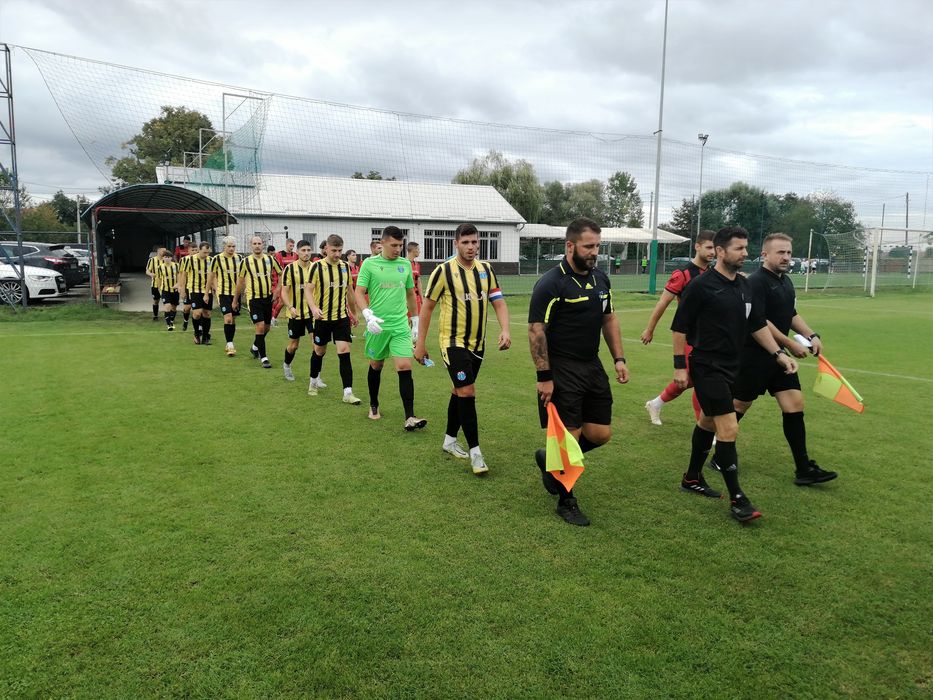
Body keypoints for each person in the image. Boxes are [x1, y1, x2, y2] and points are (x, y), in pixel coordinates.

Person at [670, 227, 799, 523]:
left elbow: (757, 325)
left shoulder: (744, 285)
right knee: (728, 428)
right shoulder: (701, 286)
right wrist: (679, 366)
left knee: (707, 421)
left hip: (733, 365)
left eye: (745, 248)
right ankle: (738, 498)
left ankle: (691, 477)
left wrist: (778, 354)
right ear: (720, 251)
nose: (745, 253)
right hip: (707, 365)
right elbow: (679, 327)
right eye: (739, 248)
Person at [528, 217, 630, 526]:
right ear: (570, 246)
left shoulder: (601, 279)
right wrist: (544, 377)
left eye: (597, 246)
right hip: (562, 369)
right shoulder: (551, 283)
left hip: (592, 365)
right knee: (567, 439)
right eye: (588, 246)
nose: (594, 252)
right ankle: (566, 501)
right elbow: (536, 332)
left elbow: (608, 319)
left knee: (600, 434)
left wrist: (619, 358)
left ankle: (552, 464)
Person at [733, 233, 837, 486]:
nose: (786, 257)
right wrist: (790, 343)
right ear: (765, 254)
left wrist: (811, 334)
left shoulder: (786, 281)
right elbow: (760, 321)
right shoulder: (755, 282)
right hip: (753, 356)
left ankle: (804, 468)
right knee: (738, 407)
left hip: (780, 358)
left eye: (789, 253)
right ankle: (718, 453)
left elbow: (790, 314)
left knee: (794, 405)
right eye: (780, 252)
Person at [414, 223, 511, 475]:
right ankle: (476, 454)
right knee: (467, 391)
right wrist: (420, 343)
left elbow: (498, 302)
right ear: (456, 243)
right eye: (465, 242)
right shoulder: (443, 271)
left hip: (477, 344)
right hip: (452, 342)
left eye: (474, 242)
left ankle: (449, 441)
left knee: (459, 391)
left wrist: (505, 329)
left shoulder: (486, 270)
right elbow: (427, 309)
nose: (471, 247)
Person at [354, 226, 427, 430]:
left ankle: (410, 417)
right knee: (376, 365)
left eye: (400, 245)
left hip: (400, 325)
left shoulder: (405, 264)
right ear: (383, 243)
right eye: (394, 245)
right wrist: (367, 315)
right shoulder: (369, 264)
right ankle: (374, 404)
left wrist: (415, 321)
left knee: (404, 366)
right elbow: (359, 292)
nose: (397, 249)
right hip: (377, 326)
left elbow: (411, 294)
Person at [642, 230, 716, 426]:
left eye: (715, 248)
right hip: (689, 336)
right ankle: (704, 429)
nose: (712, 252)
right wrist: (650, 329)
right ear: (697, 247)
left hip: (709, 337)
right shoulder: (683, 274)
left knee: (689, 380)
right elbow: (663, 302)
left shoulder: (713, 273)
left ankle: (655, 403)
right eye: (708, 247)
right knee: (701, 380)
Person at [305, 234, 361, 404]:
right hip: (322, 318)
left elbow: (350, 292)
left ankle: (348, 393)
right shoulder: (316, 267)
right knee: (319, 351)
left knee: (344, 351)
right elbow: (308, 290)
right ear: (326, 249)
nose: (337, 254)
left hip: (341, 318)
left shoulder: (345, 267)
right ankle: (313, 382)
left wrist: (354, 313)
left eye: (340, 251)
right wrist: (313, 308)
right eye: (334, 250)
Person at [234, 235, 283, 369]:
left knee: (266, 328)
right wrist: (235, 300)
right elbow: (240, 282)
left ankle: (255, 347)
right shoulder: (245, 262)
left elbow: (281, 273)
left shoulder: (270, 259)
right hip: (253, 299)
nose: (257, 246)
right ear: (251, 246)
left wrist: (277, 290)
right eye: (254, 243)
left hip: (268, 298)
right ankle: (264, 358)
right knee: (260, 326)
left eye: (259, 243)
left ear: (263, 245)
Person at [279, 240, 316, 382]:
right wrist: (290, 307)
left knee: (317, 345)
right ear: (298, 252)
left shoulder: (315, 267)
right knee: (294, 345)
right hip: (295, 313)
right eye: (303, 250)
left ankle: (316, 376)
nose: (306, 253)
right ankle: (287, 365)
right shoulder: (289, 269)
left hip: (312, 313)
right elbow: (284, 292)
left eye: (308, 250)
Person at [207, 236, 242, 357]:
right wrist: (207, 293)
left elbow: (243, 276)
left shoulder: (239, 258)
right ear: (224, 247)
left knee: (233, 319)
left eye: (233, 246)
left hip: (236, 294)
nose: (231, 249)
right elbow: (211, 276)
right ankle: (230, 344)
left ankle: (230, 341)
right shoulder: (217, 259)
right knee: (228, 318)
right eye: (229, 246)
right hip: (223, 293)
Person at [178, 242, 214, 345]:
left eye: (208, 252)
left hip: (207, 290)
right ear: (199, 250)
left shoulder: (211, 260)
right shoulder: (189, 260)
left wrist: (216, 288)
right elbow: (184, 275)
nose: (206, 254)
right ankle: (197, 334)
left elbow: (214, 276)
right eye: (204, 252)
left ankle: (205, 337)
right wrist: (183, 290)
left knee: (207, 314)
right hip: (194, 290)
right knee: (197, 313)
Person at [272, 238, 299, 323]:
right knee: (280, 301)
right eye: (290, 245)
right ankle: (273, 318)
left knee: (287, 301)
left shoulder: (295, 255)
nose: (292, 247)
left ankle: (273, 318)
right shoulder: (279, 255)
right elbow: (277, 269)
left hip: (293, 282)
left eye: (293, 246)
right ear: (286, 245)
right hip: (282, 282)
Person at [159, 250, 179, 331]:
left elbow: (179, 276)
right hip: (165, 290)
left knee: (173, 308)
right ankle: (169, 325)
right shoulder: (160, 267)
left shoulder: (176, 266)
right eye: (165, 257)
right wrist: (159, 289)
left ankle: (171, 321)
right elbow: (159, 279)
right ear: (163, 258)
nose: (167, 259)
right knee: (167, 306)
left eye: (169, 257)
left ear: (171, 258)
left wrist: (178, 284)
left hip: (175, 291)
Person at [145, 246, 166, 321]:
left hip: (165, 285)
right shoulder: (152, 260)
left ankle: (167, 317)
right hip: (155, 284)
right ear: (158, 251)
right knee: (156, 300)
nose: (164, 252)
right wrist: (151, 274)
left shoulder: (166, 259)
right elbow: (147, 270)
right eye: (163, 251)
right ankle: (155, 315)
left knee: (166, 301)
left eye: (165, 251)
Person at [407, 241, 423, 317]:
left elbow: (418, 282)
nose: (419, 251)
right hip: (406, 298)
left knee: (416, 321)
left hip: (416, 298)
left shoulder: (417, 264)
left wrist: (422, 299)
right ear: (414, 250)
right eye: (418, 249)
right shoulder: (403, 264)